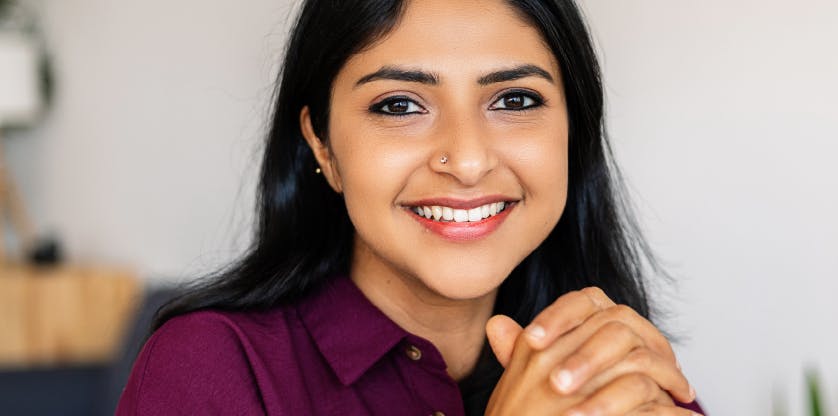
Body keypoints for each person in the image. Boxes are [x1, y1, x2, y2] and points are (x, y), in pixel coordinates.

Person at [116, 0, 706, 415]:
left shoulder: (604, 360)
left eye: (515, 98)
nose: (468, 160)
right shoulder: (207, 368)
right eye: (399, 106)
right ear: (322, 143)